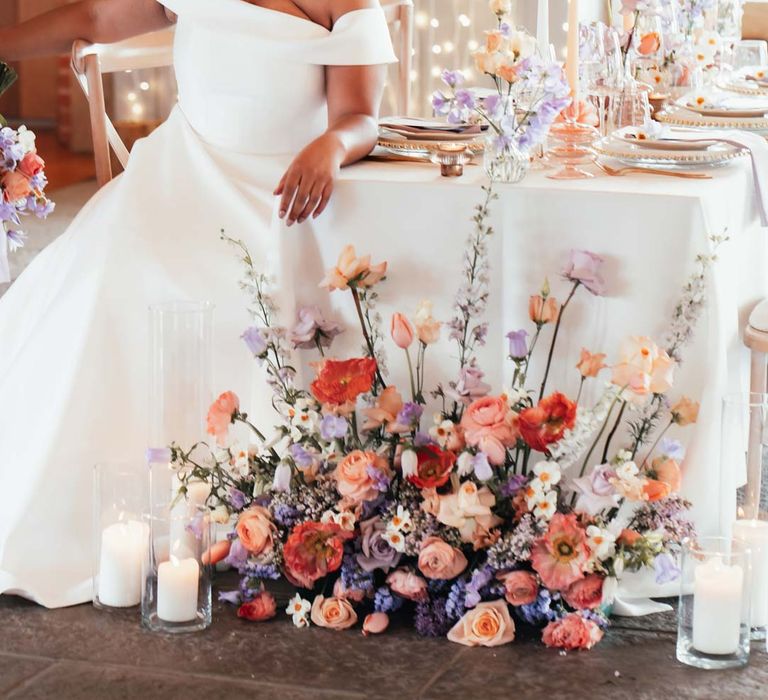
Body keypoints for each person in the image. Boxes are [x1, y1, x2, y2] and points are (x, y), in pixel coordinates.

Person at [0, 0, 396, 607]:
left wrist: (333, 146)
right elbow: (95, 19)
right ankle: (99, 508)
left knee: (253, 306)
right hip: (179, 175)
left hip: (282, 195)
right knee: (106, 271)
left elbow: (360, 116)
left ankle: (237, 512)